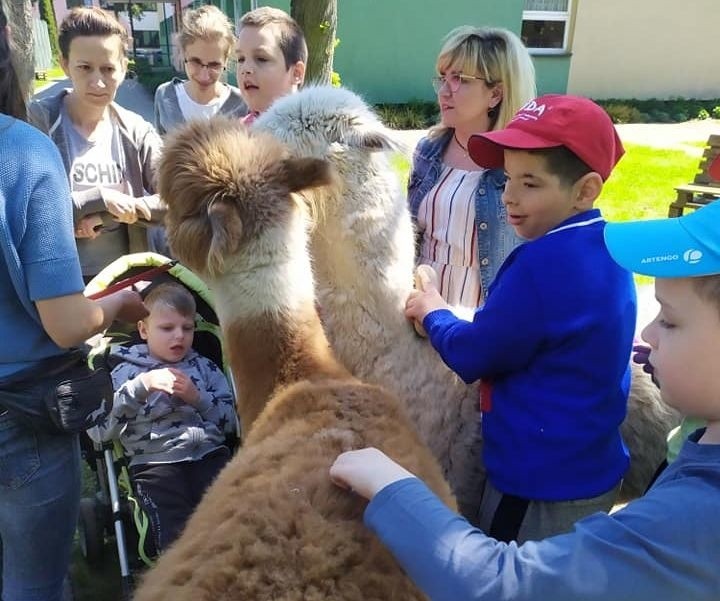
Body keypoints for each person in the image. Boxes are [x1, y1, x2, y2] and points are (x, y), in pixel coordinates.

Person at [330, 200, 720, 601]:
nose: (649, 334)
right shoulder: (699, 453)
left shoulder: (696, 514)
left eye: (670, 321)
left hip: (535, 483)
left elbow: (505, 585)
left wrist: (393, 486)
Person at [404, 94, 635, 542]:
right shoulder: (608, 247)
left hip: (537, 484)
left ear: (585, 190)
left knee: (510, 578)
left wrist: (433, 310)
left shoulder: (543, 264)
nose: (509, 196)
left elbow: (475, 353)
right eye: (507, 179)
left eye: (530, 183)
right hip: (589, 465)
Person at [0, 5, 147, 599]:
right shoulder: (27, 153)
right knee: (34, 583)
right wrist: (117, 305)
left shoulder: (133, 131)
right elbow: (64, 324)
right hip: (20, 416)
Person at [86, 283, 237, 553]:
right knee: (175, 534)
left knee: (231, 522)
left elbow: (231, 424)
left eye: (187, 328)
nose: (179, 336)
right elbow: (99, 433)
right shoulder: (123, 372)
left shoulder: (204, 366)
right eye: (167, 328)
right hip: (155, 465)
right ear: (143, 329)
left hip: (209, 455)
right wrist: (139, 388)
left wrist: (198, 398)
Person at [28, 7, 167, 281]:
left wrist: (110, 213)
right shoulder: (38, 122)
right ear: (64, 63)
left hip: (129, 286)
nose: (98, 81)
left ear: (124, 68)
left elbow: (174, 199)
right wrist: (98, 197)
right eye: (84, 68)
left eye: (108, 68)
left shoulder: (136, 129)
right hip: (56, 289)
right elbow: (27, 207)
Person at [408, 26, 536, 310]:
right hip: (421, 306)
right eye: (442, 78)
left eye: (459, 80)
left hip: (484, 313)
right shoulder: (427, 151)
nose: (444, 91)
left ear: (496, 94)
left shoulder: (520, 163)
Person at [153, 5, 247, 136]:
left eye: (214, 65)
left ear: (226, 60)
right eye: (196, 62)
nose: (204, 75)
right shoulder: (165, 96)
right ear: (184, 53)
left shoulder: (242, 103)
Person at [234, 6, 306, 125]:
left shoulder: (322, 133)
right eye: (241, 59)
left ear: (296, 73)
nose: (246, 69)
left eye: (261, 59)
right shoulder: (235, 133)